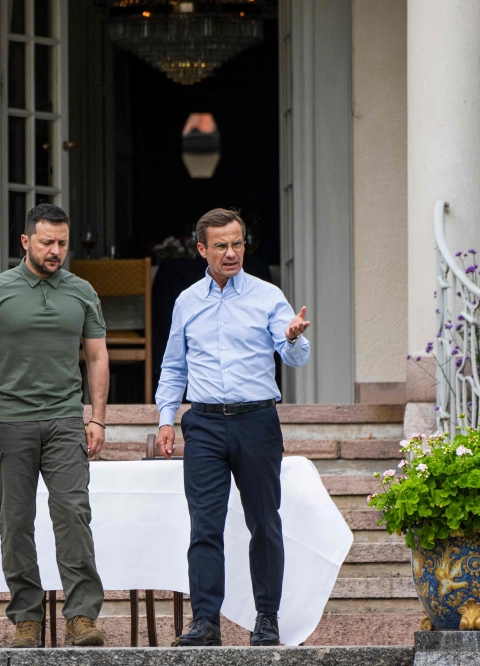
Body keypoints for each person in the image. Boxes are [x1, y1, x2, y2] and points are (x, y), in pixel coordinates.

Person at [155, 208, 311, 647]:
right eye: (221, 245)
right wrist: (167, 419)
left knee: (265, 522)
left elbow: (294, 356)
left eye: (237, 243)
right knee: (204, 525)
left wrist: (295, 336)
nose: (231, 253)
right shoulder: (187, 301)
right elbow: (173, 366)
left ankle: (267, 619)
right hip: (202, 423)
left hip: (257, 421)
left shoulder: (267, 295)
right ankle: (205, 621)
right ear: (202, 248)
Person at [0, 203, 110, 648]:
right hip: (9, 423)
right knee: (15, 522)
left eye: (62, 243)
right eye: (47, 242)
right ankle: (27, 617)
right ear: (26, 241)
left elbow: (98, 356)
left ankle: (81, 616)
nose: (56, 251)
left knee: (72, 516)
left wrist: (98, 416)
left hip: (66, 421)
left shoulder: (81, 292)